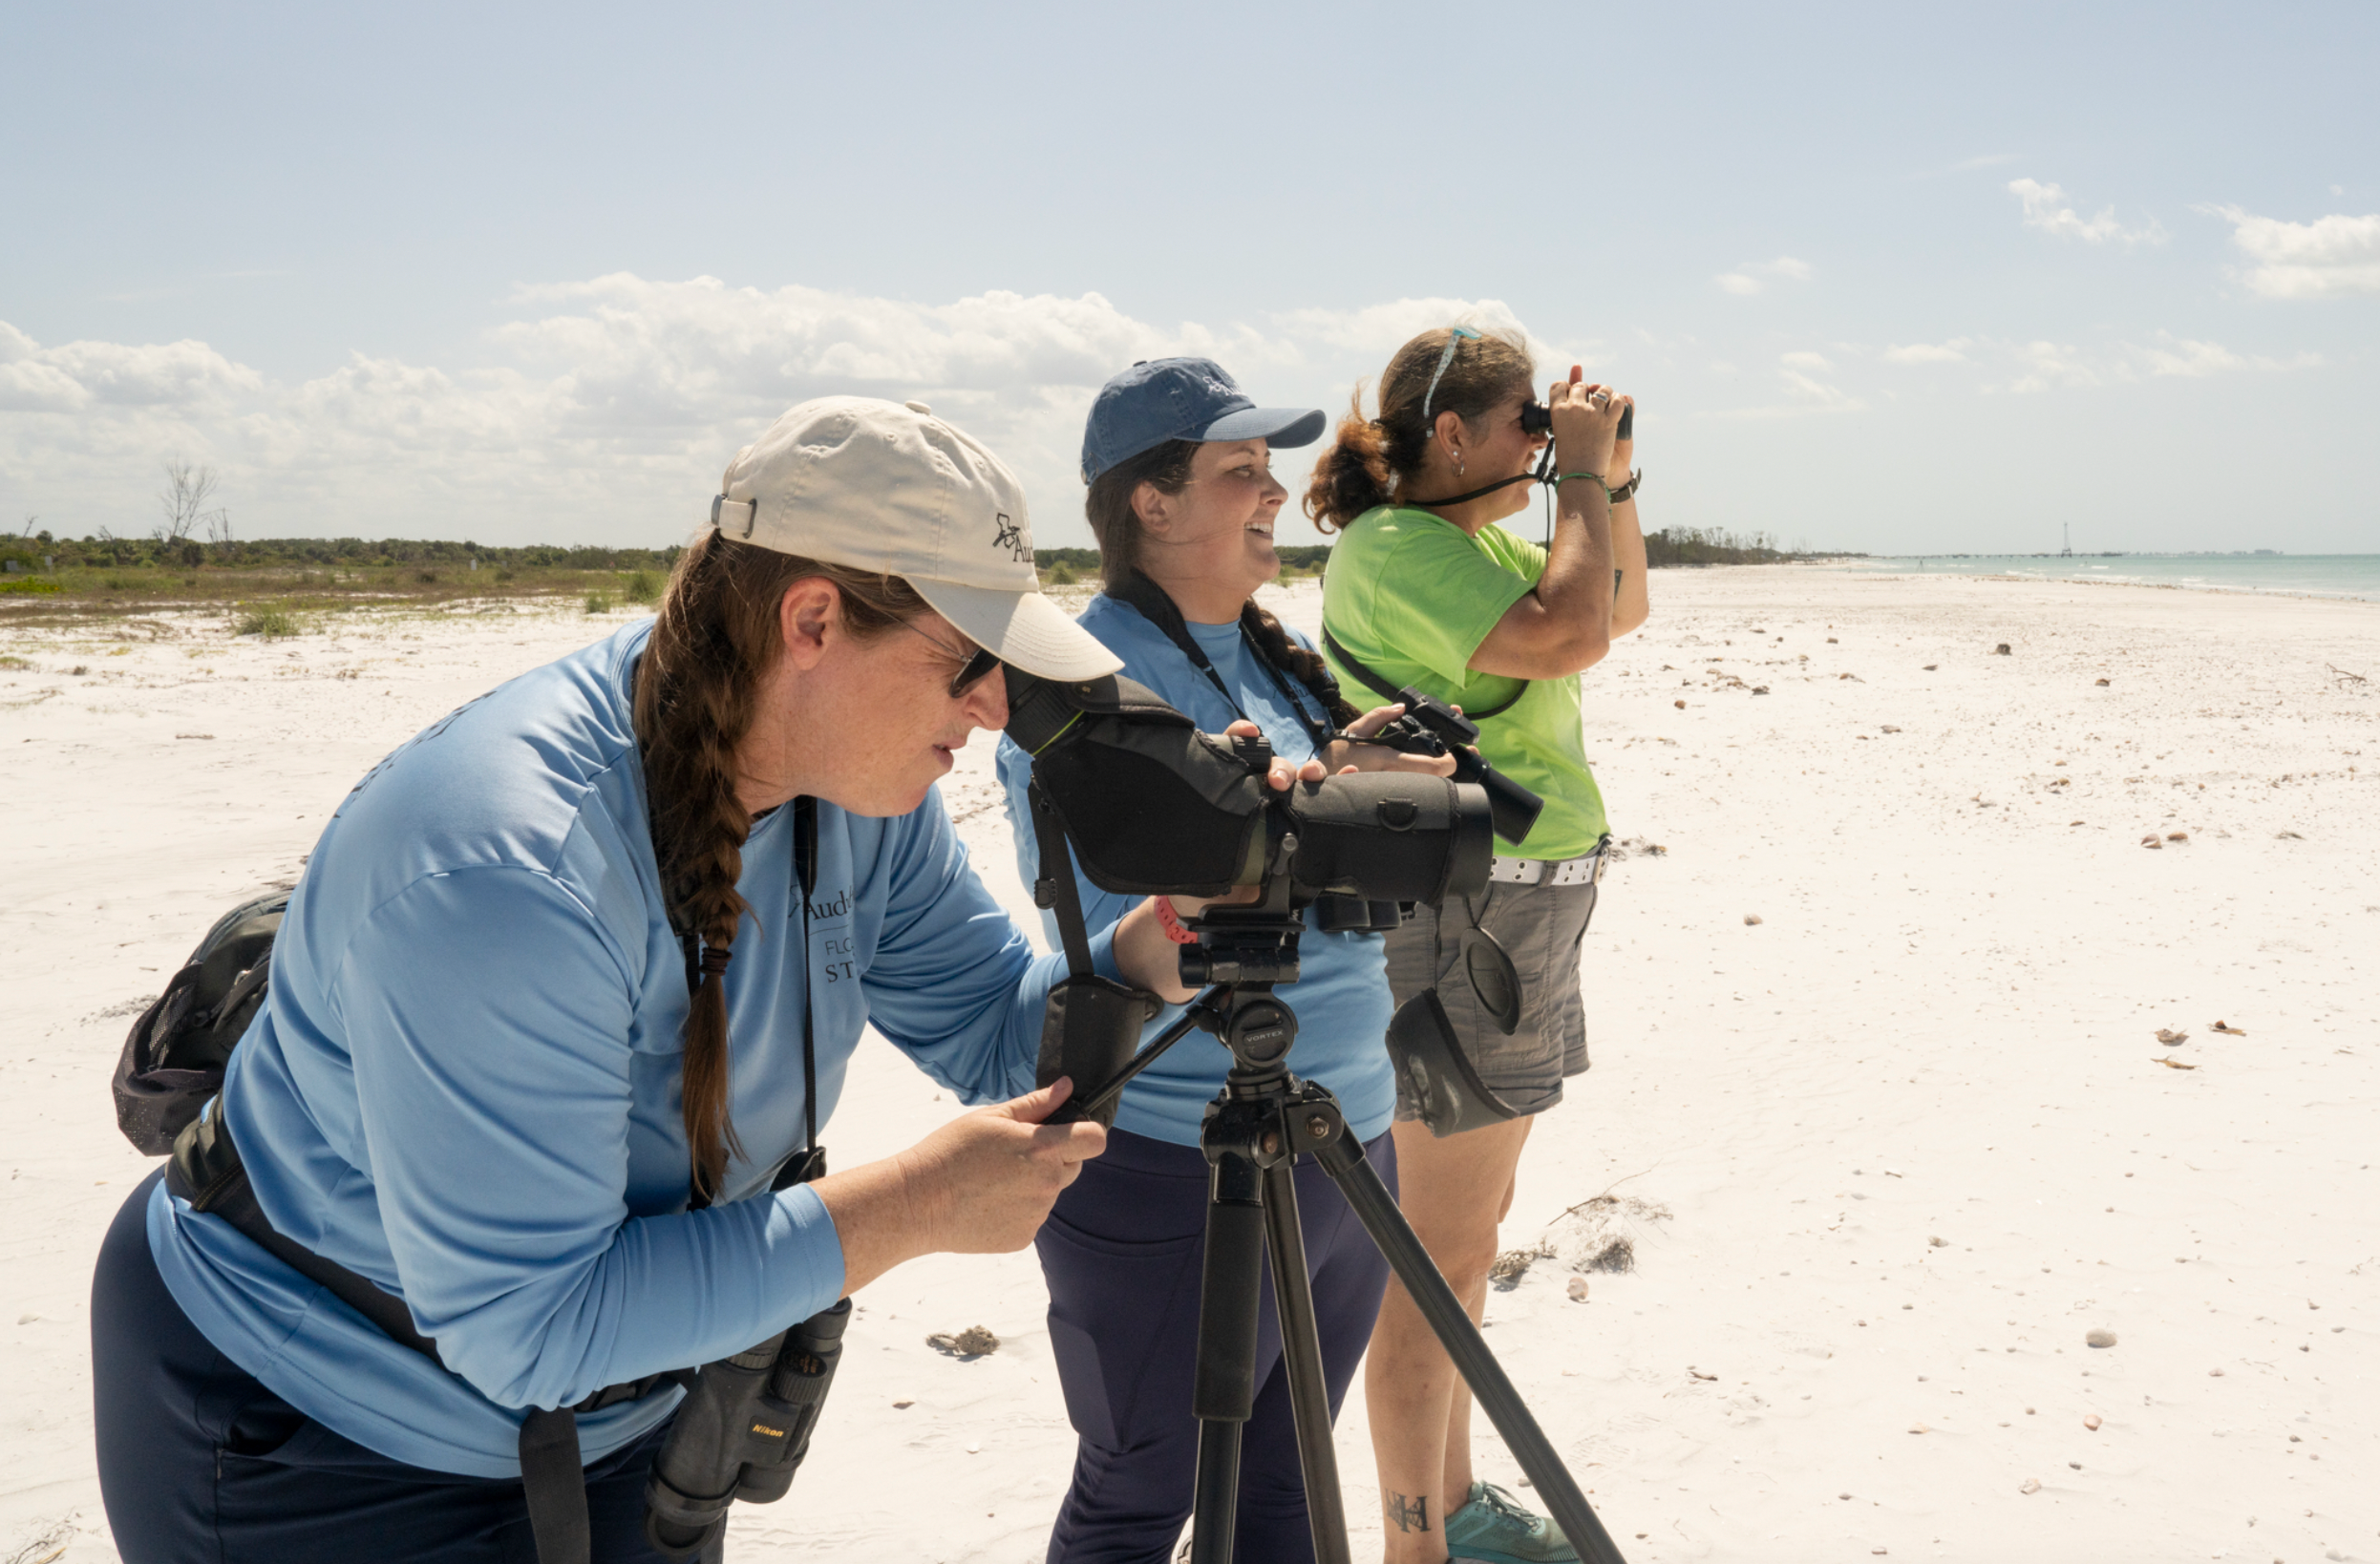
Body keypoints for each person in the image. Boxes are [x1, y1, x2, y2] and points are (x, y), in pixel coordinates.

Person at [89, 396, 1316, 1563]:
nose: (996, 707)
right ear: (813, 622)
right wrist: (910, 1210)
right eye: (966, 662)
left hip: (619, 1408)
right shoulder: (509, 871)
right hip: (311, 1436)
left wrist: (1153, 952)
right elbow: (533, 1325)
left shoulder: (849, 789)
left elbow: (996, 1028)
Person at [994, 358, 1454, 1564]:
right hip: (1170, 1154)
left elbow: (1286, 850)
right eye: (1239, 470)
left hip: (1342, 1125)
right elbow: (1110, 932)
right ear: (1148, 502)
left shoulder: (1259, 649)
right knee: (1137, 1501)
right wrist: (1291, 828)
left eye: (1268, 468)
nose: (1274, 492)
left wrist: (1347, 780)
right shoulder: (1076, 679)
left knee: (1288, 1482)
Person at [1304, 326, 1647, 1564]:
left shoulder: (1472, 543)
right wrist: (1583, 478)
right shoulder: (1394, 547)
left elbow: (1616, 602)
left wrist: (1609, 480)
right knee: (1436, 1249)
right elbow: (1570, 637)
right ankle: (1416, 1545)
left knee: (1469, 1231)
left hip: (1518, 904)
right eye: (1525, 429)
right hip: (1470, 914)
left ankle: (1450, 1509)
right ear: (1451, 434)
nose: (1538, 452)